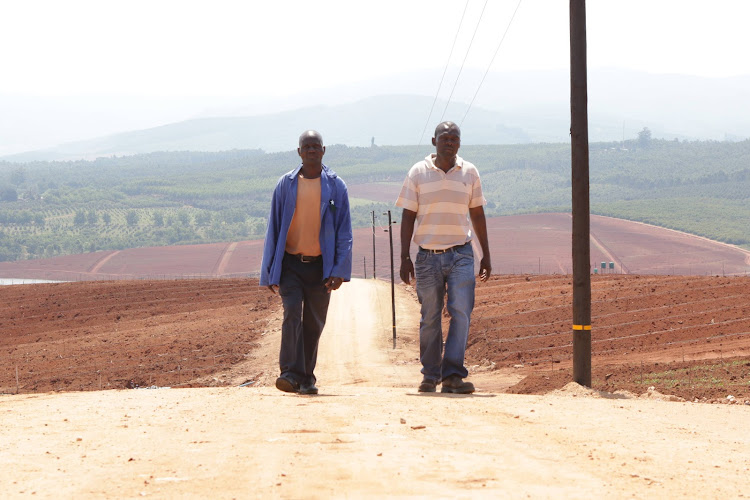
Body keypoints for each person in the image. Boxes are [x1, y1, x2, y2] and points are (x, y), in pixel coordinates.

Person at [396, 121, 491, 394]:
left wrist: (485, 254)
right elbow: (407, 215)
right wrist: (404, 256)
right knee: (430, 317)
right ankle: (430, 374)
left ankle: (452, 375)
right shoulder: (418, 172)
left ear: (459, 143)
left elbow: (477, 214)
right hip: (427, 257)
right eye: (444, 138)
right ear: (434, 141)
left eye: (454, 138)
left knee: (461, 312)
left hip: (462, 252)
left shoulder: (469, 172)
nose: (449, 142)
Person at [260, 130, 352, 395]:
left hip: (321, 267)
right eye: (306, 146)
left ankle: (307, 378)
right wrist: (269, 272)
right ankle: (289, 373)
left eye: (316, 146)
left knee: (314, 323)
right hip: (290, 265)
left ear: (324, 150)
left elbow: (344, 231)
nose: (311, 150)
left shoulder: (336, 187)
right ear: (299, 152)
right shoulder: (285, 185)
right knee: (292, 314)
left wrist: (339, 270)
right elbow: (273, 229)